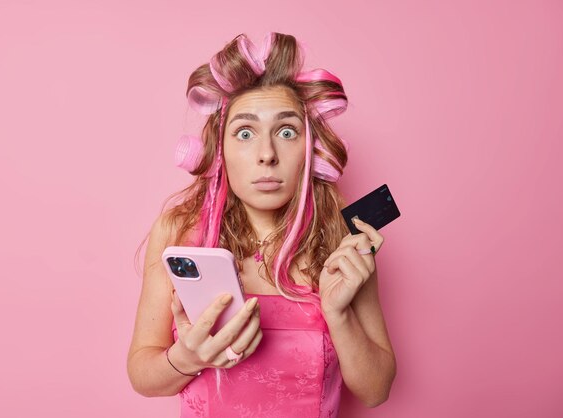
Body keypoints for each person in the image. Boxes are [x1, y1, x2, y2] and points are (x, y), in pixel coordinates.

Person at [127, 32, 396, 417]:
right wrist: (187, 357)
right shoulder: (179, 232)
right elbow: (141, 374)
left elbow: (375, 391)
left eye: (287, 132)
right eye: (245, 133)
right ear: (220, 150)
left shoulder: (343, 238)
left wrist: (339, 315)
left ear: (309, 149)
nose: (267, 154)